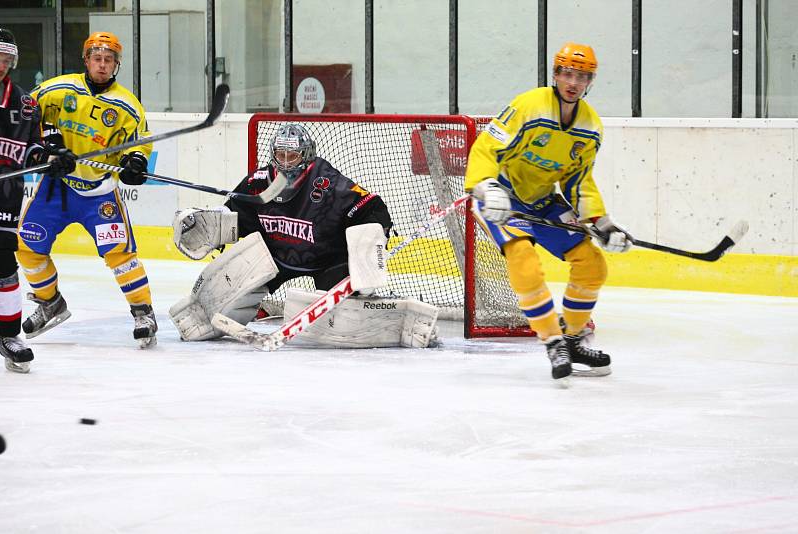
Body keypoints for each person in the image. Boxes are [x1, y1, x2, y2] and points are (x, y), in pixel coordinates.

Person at [170, 123, 440, 349]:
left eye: (293, 156)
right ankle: (202, 312)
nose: (286, 163)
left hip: (326, 260)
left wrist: (370, 244)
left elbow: (372, 208)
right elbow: (234, 218)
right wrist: (208, 225)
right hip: (274, 260)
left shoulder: (328, 183)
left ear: (307, 156)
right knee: (228, 302)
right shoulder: (258, 183)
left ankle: (401, 321)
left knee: (339, 319)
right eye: (281, 154)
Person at [466, 42, 632, 383]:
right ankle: (552, 341)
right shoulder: (529, 105)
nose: (573, 82)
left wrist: (600, 222)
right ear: (555, 75)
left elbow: (578, 179)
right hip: (501, 198)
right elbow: (486, 146)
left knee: (592, 265)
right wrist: (486, 187)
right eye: (567, 73)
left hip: (542, 201)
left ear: (590, 81)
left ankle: (572, 341)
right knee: (523, 259)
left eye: (582, 76)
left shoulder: (591, 126)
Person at [16, 31, 158, 349]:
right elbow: (28, 113)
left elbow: (138, 143)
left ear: (116, 65)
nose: (102, 65)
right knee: (27, 245)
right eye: (97, 59)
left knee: (119, 254)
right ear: (87, 60)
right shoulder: (59, 89)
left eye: (109, 60)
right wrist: (50, 145)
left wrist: (134, 161)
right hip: (57, 189)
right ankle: (50, 302)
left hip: (98, 194)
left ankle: (143, 312)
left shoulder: (127, 105)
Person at [0, 28, 49, 372]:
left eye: (6, 59)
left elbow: (34, 147)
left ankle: (9, 335)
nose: (1, 65)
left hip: (5, 194)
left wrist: (47, 157)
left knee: (3, 262)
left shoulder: (25, 103)